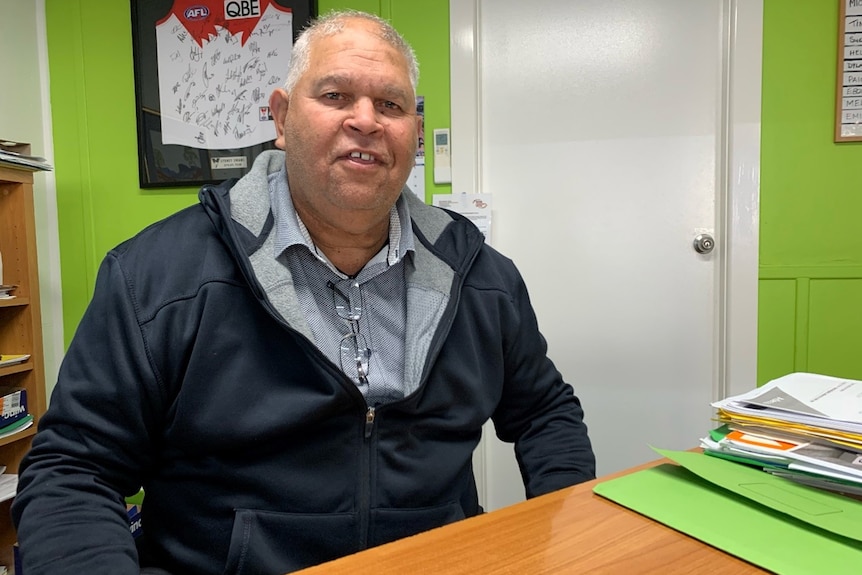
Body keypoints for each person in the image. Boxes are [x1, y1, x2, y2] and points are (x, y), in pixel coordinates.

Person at [11, 9, 595, 575]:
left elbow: (546, 413)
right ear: (282, 118)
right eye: (336, 96)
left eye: (390, 104)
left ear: (414, 133)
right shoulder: (156, 278)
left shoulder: (481, 278)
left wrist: (563, 543)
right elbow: (73, 471)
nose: (366, 120)